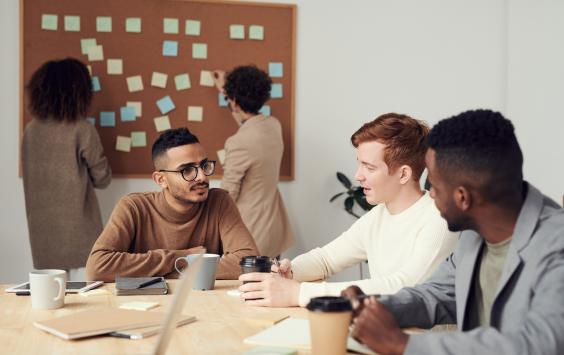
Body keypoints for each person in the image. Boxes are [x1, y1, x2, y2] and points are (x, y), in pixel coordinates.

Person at [344, 109, 564, 354]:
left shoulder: (557, 246)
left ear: (463, 198)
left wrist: (401, 344)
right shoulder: (475, 233)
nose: (432, 194)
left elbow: (542, 344)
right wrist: (375, 307)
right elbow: (436, 294)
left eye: (435, 186)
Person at [238, 113, 459, 307]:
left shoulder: (438, 220)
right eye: (359, 164)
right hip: (380, 335)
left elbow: (404, 288)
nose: (358, 175)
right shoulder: (378, 216)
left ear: (403, 174)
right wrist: (290, 271)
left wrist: (299, 293)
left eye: (369, 167)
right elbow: (327, 259)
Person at [85, 128, 259, 282]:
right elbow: (97, 267)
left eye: (204, 165)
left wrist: (172, 269)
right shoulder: (133, 207)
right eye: (187, 170)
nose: (202, 177)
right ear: (161, 179)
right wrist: (186, 256)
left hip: (204, 304)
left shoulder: (219, 201)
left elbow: (248, 261)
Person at [22, 58, 111, 276]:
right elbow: (103, 179)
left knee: (54, 289)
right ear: (80, 92)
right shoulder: (82, 129)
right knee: (90, 287)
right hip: (79, 226)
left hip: (43, 226)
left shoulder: (31, 130)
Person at [212, 65, 294, 257]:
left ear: (234, 102)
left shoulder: (238, 142)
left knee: (246, 286)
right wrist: (228, 91)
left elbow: (228, 194)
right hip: (272, 230)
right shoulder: (273, 126)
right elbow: (248, 126)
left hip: (250, 232)